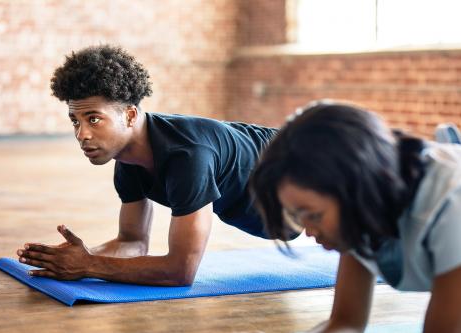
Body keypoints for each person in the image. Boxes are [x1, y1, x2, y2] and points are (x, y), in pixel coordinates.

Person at [16, 44, 297, 286]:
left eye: (93, 119)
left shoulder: (187, 156)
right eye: (75, 121)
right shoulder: (127, 160)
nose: (82, 134)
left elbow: (180, 271)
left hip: (303, 161)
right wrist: (75, 257)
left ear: (129, 115)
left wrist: (88, 266)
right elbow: (132, 243)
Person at [250, 101, 461, 332]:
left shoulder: (450, 206)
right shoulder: (360, 215)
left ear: (358, 190)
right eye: (298, 216)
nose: (309, 231)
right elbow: (346, 322)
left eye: (314, 215)